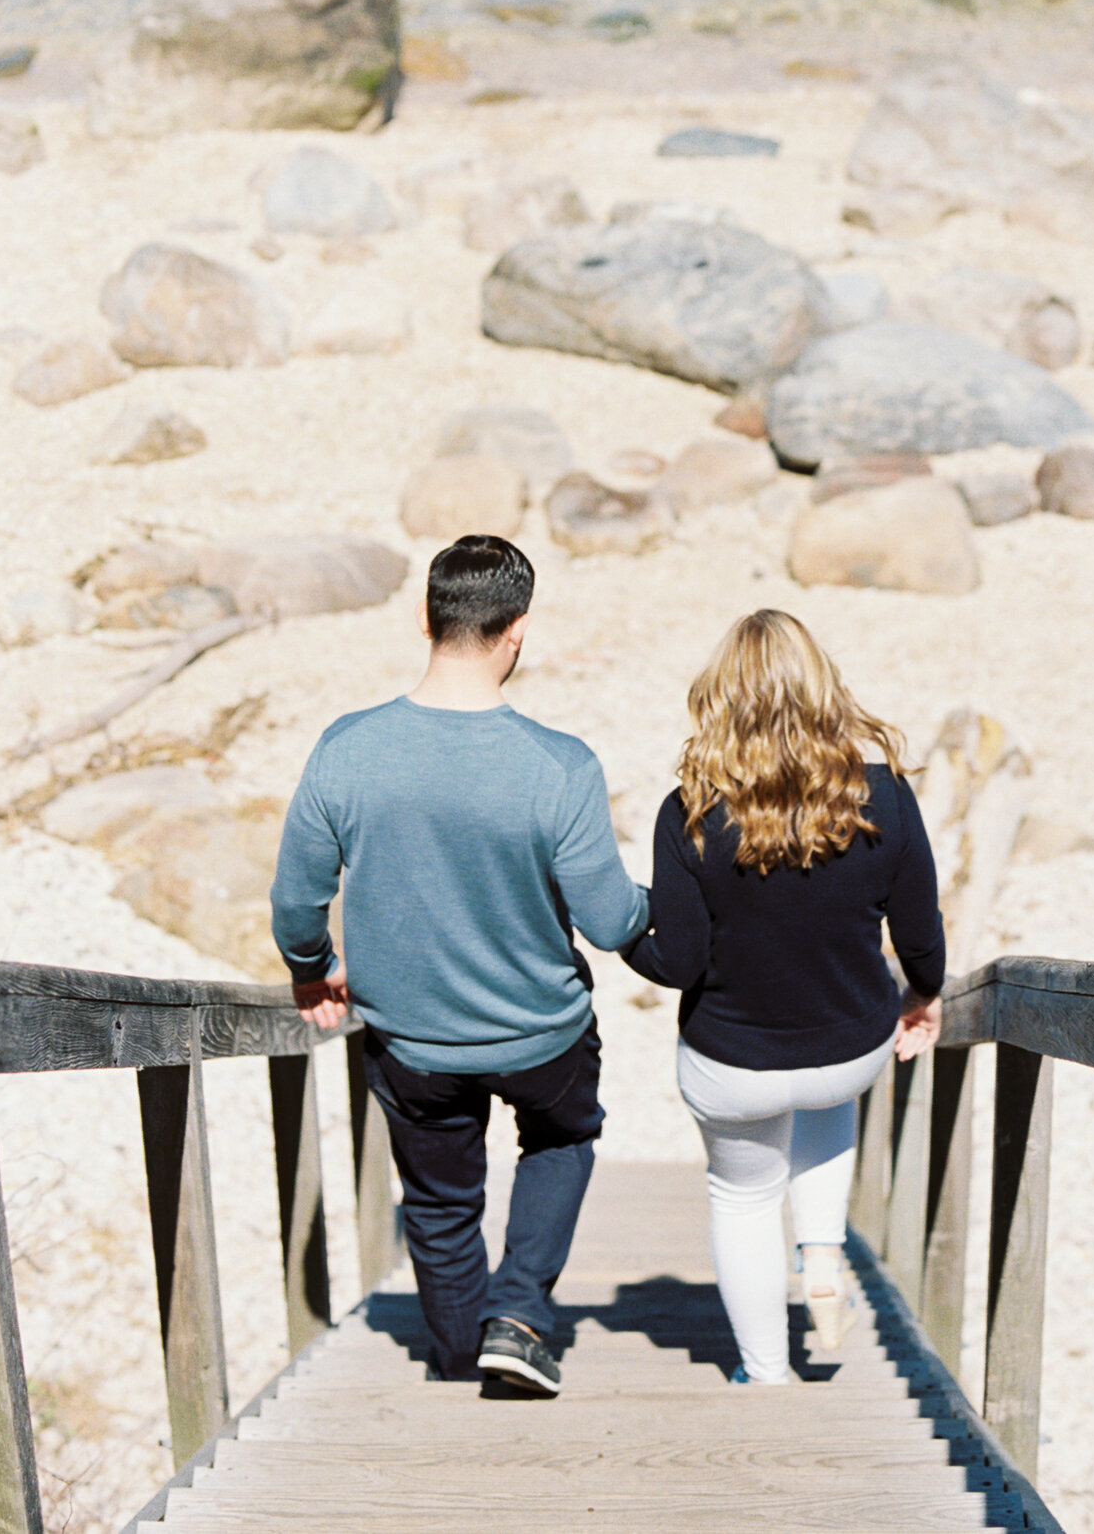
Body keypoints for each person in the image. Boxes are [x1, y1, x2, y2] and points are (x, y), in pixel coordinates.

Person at [270, 534, 649, 1394]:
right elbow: (607, 916)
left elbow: (296, 897)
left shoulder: (347, 748)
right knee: (561, 1135)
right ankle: (515, 1316)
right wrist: (667, 907)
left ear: (423, 618)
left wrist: (310, 967)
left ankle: (452, 1357)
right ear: (517, 632)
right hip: (541, 1035)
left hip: (412, 1043)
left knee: (441, 1204)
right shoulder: (560, 765)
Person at [623, 608, 944, 1386]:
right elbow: (919, 935)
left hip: (733, 1062)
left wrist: (625, 924)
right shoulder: (885, 799)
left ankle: (766, 1374)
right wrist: (925, 997)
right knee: (828, 1080)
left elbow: (677, 961)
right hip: (849, 1049)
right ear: (823, 688)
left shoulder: (689, 813)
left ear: (720, 698)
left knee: (741, 1199)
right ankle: (824, 1246)